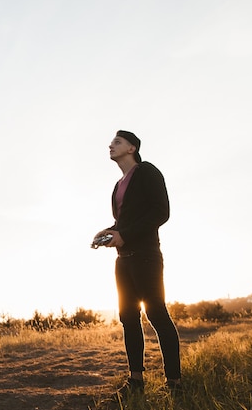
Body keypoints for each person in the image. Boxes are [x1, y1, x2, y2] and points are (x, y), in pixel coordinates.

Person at [94, 130, 182, 397]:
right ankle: (135, 382)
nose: (111, 145)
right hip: (123, 261)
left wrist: (125, 235)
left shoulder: (147, 172)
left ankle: (175, 384)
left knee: (156, 314)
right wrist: (108, 232)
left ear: (132, 148)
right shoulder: (117, 186)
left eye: (117, 142)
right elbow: (123, 224)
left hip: (146, 256)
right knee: (128, 318)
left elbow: (161, 212)